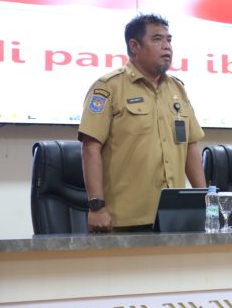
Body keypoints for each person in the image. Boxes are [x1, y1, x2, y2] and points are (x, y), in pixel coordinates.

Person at [78, 14, 206, 233]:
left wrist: (205, 201)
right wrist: (96, 207)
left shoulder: (177, 89)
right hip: (125, 219)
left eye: (169, 40)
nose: (167, 47)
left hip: (174, 216)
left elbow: (190, 147)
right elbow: (91, 147)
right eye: (157, 39)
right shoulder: (108, 87)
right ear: (134, 46)